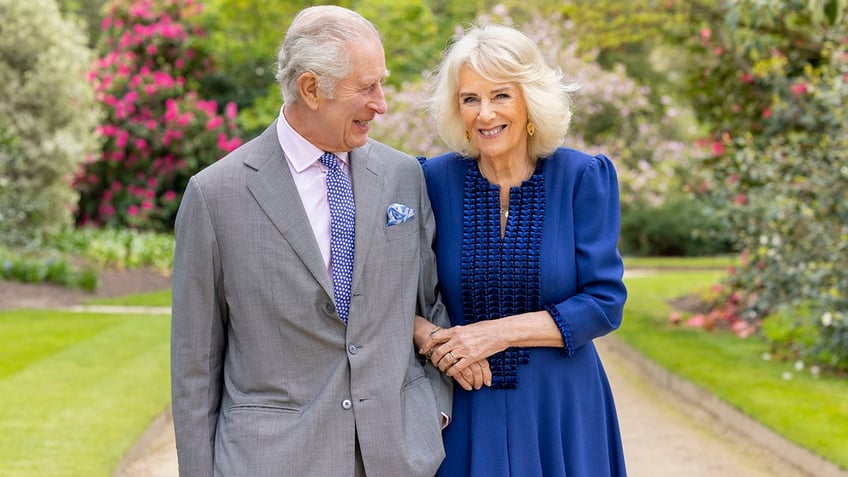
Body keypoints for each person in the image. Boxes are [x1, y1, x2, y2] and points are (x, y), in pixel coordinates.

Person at [170, 6, 453, 476]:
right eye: (366, 87)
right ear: (310, 89)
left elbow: (429, 303)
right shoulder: (215, 195)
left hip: (396, 455)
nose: (381, 103)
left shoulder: (404, 176)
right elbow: (194, 368)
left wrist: (430, 411)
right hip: (271, 460)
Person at [416, 23, 629, 476]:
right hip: (465, 408)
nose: (485, 114)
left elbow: (605, 303)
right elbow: (387, 291)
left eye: (500, 96)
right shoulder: (429, 182)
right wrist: (432, 340)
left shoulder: (583, 177)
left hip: (563, 412)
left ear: (530, 100)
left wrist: (496, 333)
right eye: (470, 99)